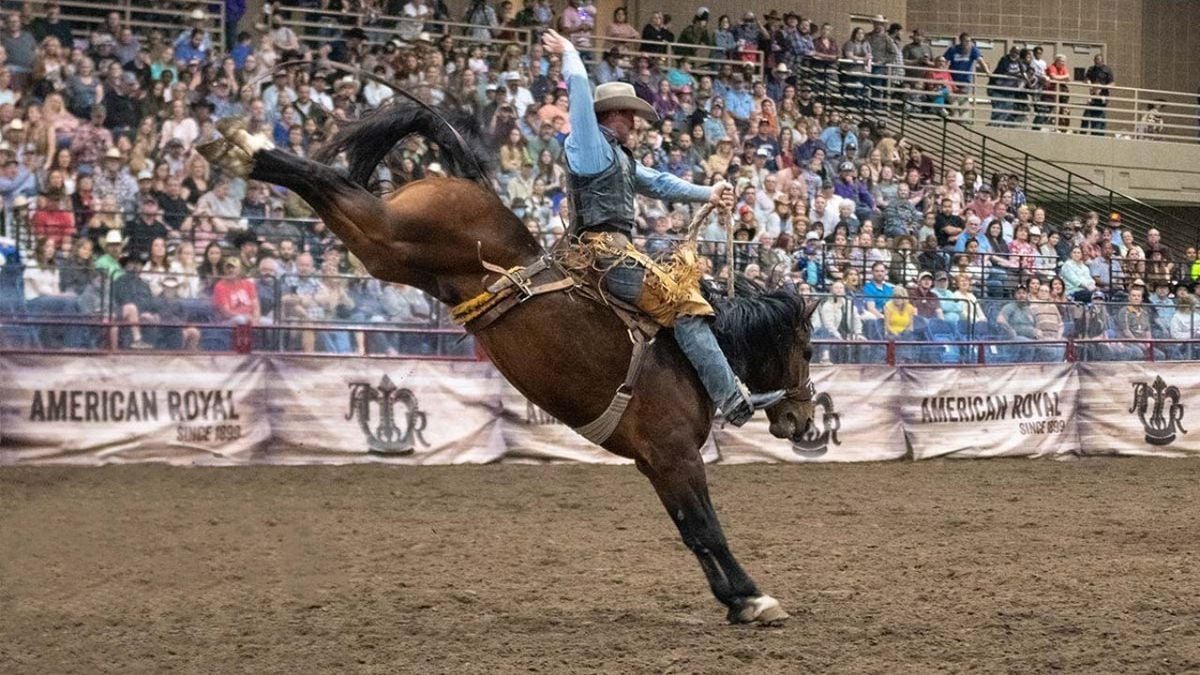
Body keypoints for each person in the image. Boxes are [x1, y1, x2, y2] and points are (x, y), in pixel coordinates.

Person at [541, 28, 782, 426]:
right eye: (630, 116)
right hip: (605, 255)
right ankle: (731, 399)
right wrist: (568, 51)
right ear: (615, 114)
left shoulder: (615, 156)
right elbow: (580, 87)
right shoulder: (588, 143)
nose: (635, 124)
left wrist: (707, 192)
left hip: (609, 252)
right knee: (684, 303)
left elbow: (660, 183)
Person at [1082, 54, 1114, 135]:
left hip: (1102, 96)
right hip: (1093, 95)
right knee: (1087, 115)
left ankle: (1098, 133)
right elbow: (1086, 79)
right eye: (1096, 60)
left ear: (1102, 61)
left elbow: (1112, 84)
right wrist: (1090, 84)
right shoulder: (1091, 69)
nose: (1097, 61)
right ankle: (1086, 132)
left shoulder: (1107, 70)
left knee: (1099, 115)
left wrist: (1102, 87)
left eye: (1099, 60)